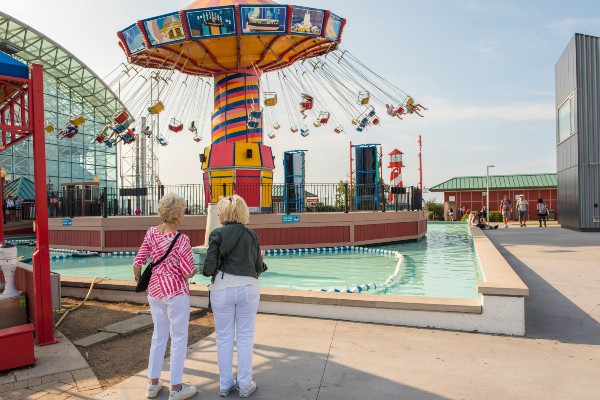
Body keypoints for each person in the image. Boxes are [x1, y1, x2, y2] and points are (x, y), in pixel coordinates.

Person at [132, 193, 198, 400]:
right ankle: (176, 388)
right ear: (178, 215)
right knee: (178, 339)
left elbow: (137, 262)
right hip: (176, 292)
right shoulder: (182, 240)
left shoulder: (151, 233)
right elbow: (187, 272)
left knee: (159, 336)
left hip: (155, 291)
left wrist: (139, 280)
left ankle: (152, 383)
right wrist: (196, 270)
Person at [203, 195, 267, 398]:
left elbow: (208, 269)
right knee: (245, 337)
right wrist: (261, 259)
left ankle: (225, 384)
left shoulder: (217, 234)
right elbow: (258, 268)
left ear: (228, 213)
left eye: (220, 210)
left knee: (223, 338)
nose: (218, 213)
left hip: (223, 289)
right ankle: (245, 384)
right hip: (248, 288)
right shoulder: (252, 236)